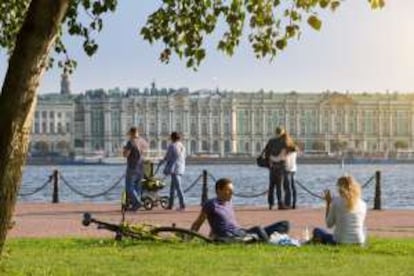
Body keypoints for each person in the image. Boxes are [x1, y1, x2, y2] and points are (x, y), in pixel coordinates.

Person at [191, 178, 289, 242]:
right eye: (228, 190)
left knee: (285, 224)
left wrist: (211, 234)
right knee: (258, 229)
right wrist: (188, 239)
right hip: (231, 237)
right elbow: (198, 223)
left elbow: (218, 222)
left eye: (232, 191)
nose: (231, 193)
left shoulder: (229, 203)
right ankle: (267, 244)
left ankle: (262, 239)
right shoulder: (211, 204)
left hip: (241, 232)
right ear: (219, 191)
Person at [311, 175, 367, 245]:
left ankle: (315, 242)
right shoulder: (363, 204)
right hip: (359, 242)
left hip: (340, 241)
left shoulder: (336, 202)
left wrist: (328, 203)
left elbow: (329, 224)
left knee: (317, 230)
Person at [123, 127, 148, 211]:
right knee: (138, 187)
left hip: (132, 167)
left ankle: (137, 203)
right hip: (141, 167)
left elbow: (126, 154)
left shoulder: (130, 142)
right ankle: (135, 206)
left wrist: (124, 150)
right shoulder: (143, 141)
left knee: (129, 187)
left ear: (131, 133)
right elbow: (146, 152)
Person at [263, 127, 288, 210]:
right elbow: (288, 151)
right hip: (280, 166)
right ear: (282, 133)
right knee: (279, 186)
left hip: (272, 166)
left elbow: (266, 152)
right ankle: (280, 203)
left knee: (271, 186)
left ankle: (270, 204)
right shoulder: (284, 142)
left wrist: (269, 162)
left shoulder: (271, 141)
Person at [161, 131, 186, 211]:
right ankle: (170, 205)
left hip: (174, 169)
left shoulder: (172, 146)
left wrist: (162, 161)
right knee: (172, 188)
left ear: (172, 138)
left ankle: (182, 205)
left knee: (178, 187)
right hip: (181, 167)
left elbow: (168, 156)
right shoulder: (182, 146)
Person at [280, 133, 298, 209]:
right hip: (293, 169)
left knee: (287, 188)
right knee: (293, 186)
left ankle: (287, 203)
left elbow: (282, 158)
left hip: (286, 169)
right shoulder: (294, 148)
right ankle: (294, 203)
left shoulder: (284, 149)